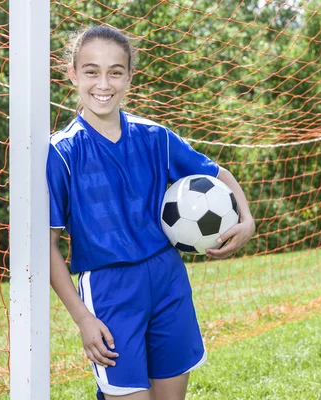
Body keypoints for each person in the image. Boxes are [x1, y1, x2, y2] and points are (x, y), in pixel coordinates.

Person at [46, 25, 255, 400]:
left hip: (168, 281)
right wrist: (83, 318)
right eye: (91, 71)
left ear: (129, 76)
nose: (103, 83)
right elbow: (48, 247)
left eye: (115, 71)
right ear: (73, 74)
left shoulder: (156, 137)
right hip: (110, 292)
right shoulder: (61, 152)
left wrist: (247, 219)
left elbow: (218, 174)